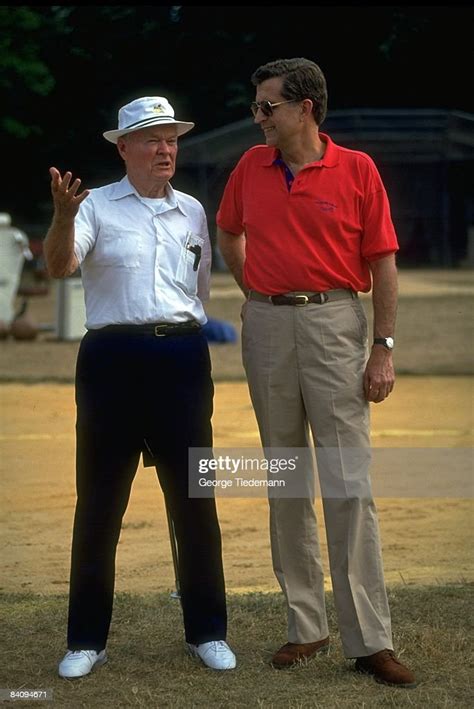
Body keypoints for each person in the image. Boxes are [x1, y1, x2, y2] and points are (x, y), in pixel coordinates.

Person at [217, 58, 416, 687]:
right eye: (256, 106)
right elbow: (229, 236)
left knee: (346, 480)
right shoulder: (250, 166)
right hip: (268, 327)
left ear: (305, 107)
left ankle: (369, 639)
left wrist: (381, 347)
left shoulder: (357, 169)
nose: (258, 117)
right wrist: (259, 293)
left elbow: (382, 264)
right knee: (285, 474)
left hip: (335, 323)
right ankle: (306, 626)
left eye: (266, 106)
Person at [44, 96, 236, 678]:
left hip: (180, 357)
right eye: (151, 138)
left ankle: (207, 631)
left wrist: (181, 337)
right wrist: (59, 216)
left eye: (172, 137)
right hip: (111, 360)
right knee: (100, 501)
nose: (165, 148)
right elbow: (58, 267)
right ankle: (86, 640)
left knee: (195, 500)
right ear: (123, 147)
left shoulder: (194, 212)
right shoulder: (94, 206)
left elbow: (198, 292)